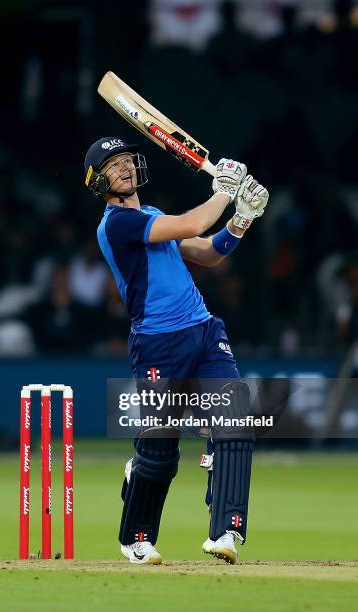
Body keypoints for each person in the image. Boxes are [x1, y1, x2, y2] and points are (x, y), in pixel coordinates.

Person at [84, 136, 269, 565]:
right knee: (159, 458)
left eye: (127, 159)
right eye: (113, 165)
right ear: (98, 181)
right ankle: (136, 536)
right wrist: (225, 190)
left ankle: (226, 530)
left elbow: (206, 253)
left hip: (203, 331)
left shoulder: (150, 215)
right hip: (157, 345)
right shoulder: (116, 225)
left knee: (235, 421)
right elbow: (190, 226)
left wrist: (241, 218)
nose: (125, 168)